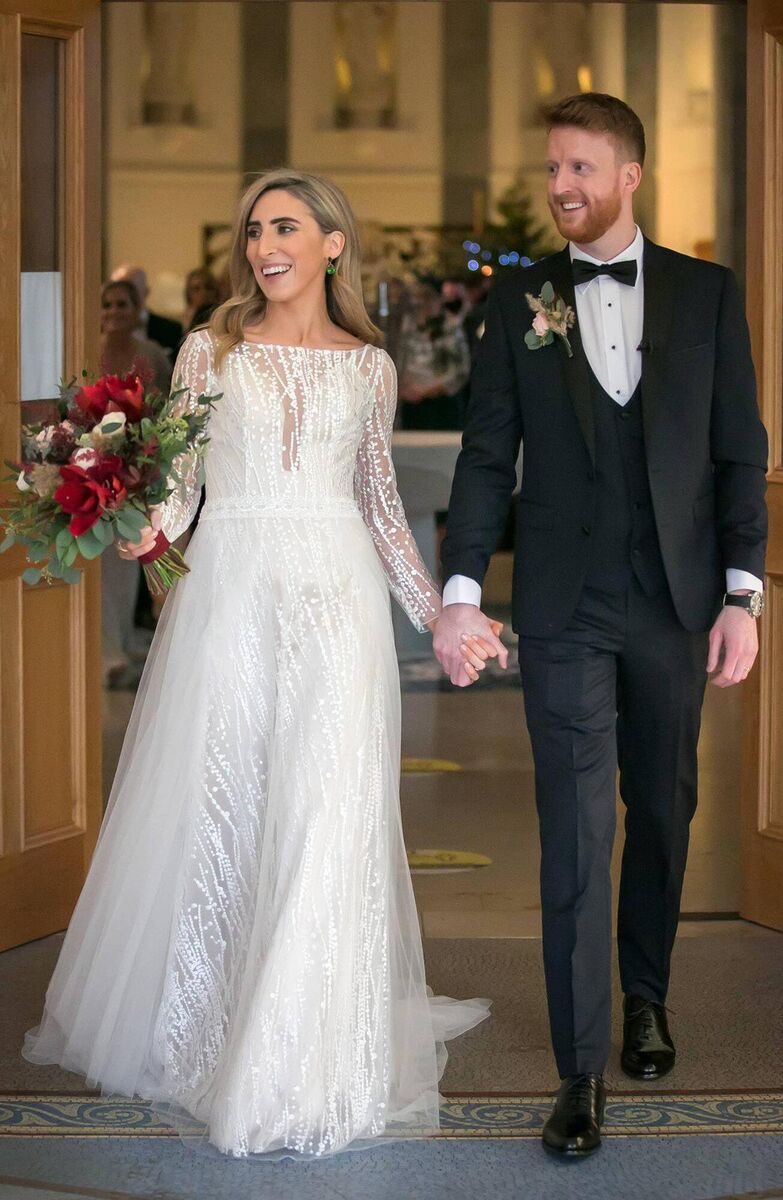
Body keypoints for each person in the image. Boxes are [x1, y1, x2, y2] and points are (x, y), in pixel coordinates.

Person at [24, 169, 491, 1159]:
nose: (264, 244)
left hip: (338, 608)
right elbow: (181, 489)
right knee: (229, 813)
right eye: (252, 231)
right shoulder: (209, 350)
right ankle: (209, 1037)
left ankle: (307, 1061)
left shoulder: (368, 367)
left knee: (329, 817)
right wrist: (118, 508)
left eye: (285, 225)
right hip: (229, 599)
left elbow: (378, 505)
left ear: (331, 243)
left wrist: (439, 616)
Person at [434, 93, 768, 1158]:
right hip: (565, 606)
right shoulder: (520, 302)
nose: (562, 187)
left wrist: (744, 598)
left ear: (629, 175)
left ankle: (647, 998)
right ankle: (579, 1072)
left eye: (581, 168)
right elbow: (488, 456)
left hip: (675, 603)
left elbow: (736, 456)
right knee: (577, 833)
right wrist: (458, 590)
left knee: (664, 809)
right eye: (553, 170)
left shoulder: (707, 295)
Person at [99, 279, 172, 684]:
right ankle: (104, 648)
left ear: (137, 308)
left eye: (122, 304)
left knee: (131, 558)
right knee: (104, 561)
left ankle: (122, 641)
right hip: (97, 466)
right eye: (107, 304)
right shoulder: (86, 346)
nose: (114, 312)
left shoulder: (151, 355)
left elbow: (163, 410)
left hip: (137, 466)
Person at [397, 278, 470, 430]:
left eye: (429, 299)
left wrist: (428, 391)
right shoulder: (405, 327)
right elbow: (397, 359)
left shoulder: (450, 328)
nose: (424, 305)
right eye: (420, 300)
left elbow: (461, 370)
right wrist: (402, 388)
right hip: (411, 404)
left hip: (441, 405)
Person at [110, 264, 183, 361]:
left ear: (146, 291)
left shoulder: (172, 330)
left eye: (131, 289)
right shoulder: (96, 332)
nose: (124, 294)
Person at [182, 266, 220, 337]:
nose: (203, 292)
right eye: (196, 289)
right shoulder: (186, 315)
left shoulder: (219, 316)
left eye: (208, 287)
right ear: (188, 294)